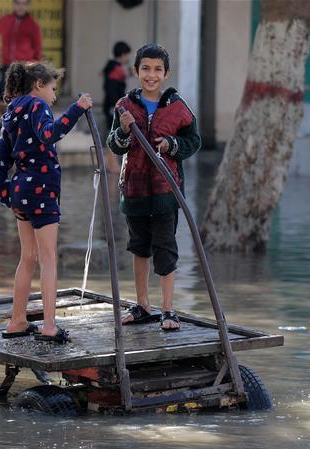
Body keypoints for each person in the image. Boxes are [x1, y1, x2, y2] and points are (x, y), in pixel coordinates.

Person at [0, 62, 93, 344]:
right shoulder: (38, 107)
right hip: (43, 192)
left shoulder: (12, 112)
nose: (54, 95)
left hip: (21, 192)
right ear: (39, 85)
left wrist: (6, 195)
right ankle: (49, 326)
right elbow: (51, 134)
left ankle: (17, 321)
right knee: (48, 260)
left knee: (27, 258)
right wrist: (78, 108)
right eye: (53, 88)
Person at [107, 44, 201, 332]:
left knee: (165, 248)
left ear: (166, 73)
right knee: (138, 248)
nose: (151, 75)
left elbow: (193, 142)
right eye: (145, 68)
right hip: (134, 191)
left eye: (157, 69)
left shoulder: (178, 107)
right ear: (136, 71)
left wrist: (171, 145)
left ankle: (168, 309)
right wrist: (123, 131)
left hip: (166, 193)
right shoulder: (124, 106)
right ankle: (143, 305)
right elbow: (114, 143)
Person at [102, 41, 131, 173]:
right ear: (122, 54)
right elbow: (113, 90)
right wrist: (117, 106)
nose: (128, 58)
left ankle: (110, 163)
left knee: (111, 133)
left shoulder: (113, 67)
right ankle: (112, 164)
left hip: (112, 105)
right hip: (113, 106)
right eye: (127, 55)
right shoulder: (116, 69)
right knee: (112, 134)